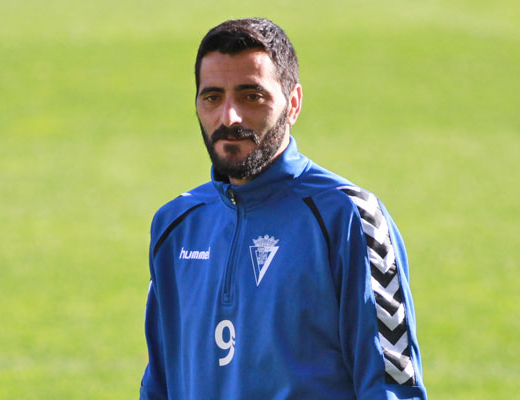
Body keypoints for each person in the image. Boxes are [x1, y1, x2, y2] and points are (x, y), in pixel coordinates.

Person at [140, 18, 427, 399]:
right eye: (212, 97)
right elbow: (159, 385)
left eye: (251, 95)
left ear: (293, 103)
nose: (229, 118)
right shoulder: (175, 225)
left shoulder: (348, 218)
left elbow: (393, 389)